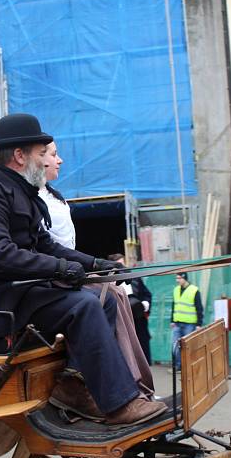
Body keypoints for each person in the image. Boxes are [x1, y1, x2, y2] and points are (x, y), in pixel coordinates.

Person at [0, 113, 166, 426]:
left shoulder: (17, 189)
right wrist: (61, 269)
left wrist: (94, 264)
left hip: (19, 294)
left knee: (102, 298)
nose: (46, 161)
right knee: (84, 305)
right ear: (19, 156)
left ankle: (73, 385)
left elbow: (47, 245)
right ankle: (118, 404)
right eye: (42, 154)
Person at [38, 141, 154, 394]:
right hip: (50, 278)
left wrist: (97, 264)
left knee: (116, 293)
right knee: (104, 298)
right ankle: (83, 382)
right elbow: (43, 249)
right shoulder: (30, 198)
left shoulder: (52, 195)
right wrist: (78, 267)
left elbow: (58, 246)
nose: (60, 161)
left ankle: (131, 381)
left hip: (64, 271)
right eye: (53, 155)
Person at [108, 253, 153, 364]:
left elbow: (147, 294)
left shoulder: (135, 278)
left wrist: (145, 304)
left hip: (138, 317)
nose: (123, 266)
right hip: (122, 319)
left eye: (123, 263)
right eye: (119, 264)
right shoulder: (108, 282)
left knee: (142, 343)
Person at [171, 272, 203, 371]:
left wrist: (199, 324)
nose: (177, 280)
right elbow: (174, 305)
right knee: (175, 346)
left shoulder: (194, 290)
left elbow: (199, 308)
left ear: (185, 278)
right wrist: (172, 320)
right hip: (177, 323)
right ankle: (179, 366)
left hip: (190, 324)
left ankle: (189, 367)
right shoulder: (176, 290)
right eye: (176, 278)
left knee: (188, 347)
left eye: (179, 278)